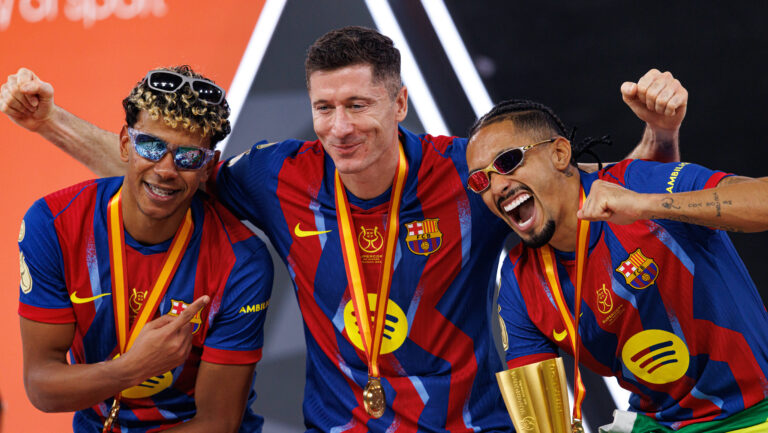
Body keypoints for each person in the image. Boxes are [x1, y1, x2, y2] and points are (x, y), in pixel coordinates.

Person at [2, 27, 687, 431]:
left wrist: (659, 134)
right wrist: (48, 124)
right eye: (324, 106)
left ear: (399, 102)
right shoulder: (278, 177)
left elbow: (596, 199)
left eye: (358, 104)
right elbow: (162, 173)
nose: (340, 126)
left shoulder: (466, 170)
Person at [465, 99, 768, 432]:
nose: (497, 186)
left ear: (560, 154)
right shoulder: (518, 284)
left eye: (508, 162)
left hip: (754, 411)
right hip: (657, 424)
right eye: (480, 181)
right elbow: (539, 424)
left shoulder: (638, 184)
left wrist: (646, 206)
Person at [16, 66, 273, 432]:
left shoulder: (241, 261)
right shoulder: (56, 226)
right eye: (152, 146)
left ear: (207, 168)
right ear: (125, 143)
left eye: (188, 157)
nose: (166, 169)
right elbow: (42, 387)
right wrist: (134, 367)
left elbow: (218, 422)